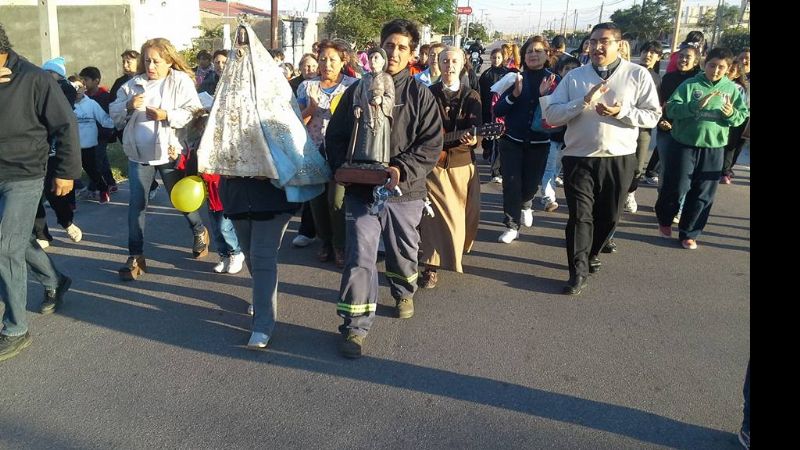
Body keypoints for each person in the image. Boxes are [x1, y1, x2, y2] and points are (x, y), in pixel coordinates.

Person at [199, 23, 330, 348]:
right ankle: (263, 297)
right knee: (252, 256)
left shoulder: (278, 100)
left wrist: (269, 168)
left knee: (263, 254)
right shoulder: (225, 103)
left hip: (272, 195)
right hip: (236, 194)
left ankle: (263, 325)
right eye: (236, 55)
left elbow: (294, 144)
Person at [326, 19, 443, 359]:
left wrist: (400, 169)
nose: (393, 53)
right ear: (378, 48)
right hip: (362, 191)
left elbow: (430, 144)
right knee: (360, 255)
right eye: (389, 45)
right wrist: (341, 169)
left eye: (401, 47)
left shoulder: (420, 95)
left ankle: (404, 290)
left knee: (403, 251)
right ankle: (354, 327)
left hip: (404, 190)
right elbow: (335, 136)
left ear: (412, 53)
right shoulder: (357, 90)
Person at [540, 22, 661, 295]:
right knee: (580, 217)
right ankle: (577, 271)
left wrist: (621, 111)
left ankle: (592, 252)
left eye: (604, 41)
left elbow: (653, 115)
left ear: (619, 44)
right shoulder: (574, 77)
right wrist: (582, 101)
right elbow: (552, 115)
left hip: (619, 158)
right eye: (593, 42)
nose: (597, 47)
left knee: (609, 217)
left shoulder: (637, 75)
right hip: (578, 157)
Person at [0, 22, 81, 362]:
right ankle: (54, 279)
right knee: (14, 241)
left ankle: (15, 329)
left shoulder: (35, 78)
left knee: (4, 247)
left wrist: (66, 171)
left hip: (25, 175)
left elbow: (66, 125)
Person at [109, 37, 209, 281]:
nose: (150, 66)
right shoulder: (133, 84)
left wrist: (166, 115)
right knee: (137, 205)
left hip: (170, 151)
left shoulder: (180, 81)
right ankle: (135, 256)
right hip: (139, 153)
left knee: (180, 200)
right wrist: (128, 106)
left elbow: (195, 112)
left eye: (156, 61)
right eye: (147, 61)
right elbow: (114, 113)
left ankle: (199, 230)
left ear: (169, 61)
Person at [654, 47, 748, 250]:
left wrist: (731, 113)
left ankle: (689, 232)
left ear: (728, 68)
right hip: (683, 145)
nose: (715, 70)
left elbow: (741, 117)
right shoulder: (690, 84)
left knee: (703, 192)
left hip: (714, 148)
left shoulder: (732, 89)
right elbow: (671, 109)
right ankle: (665, 218)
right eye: (712, 65)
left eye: (721, 67)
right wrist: (694, 106)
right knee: (676, 187)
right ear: (705, 64)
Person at [418, 47, 481, 289]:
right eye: (445, 60)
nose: (449, 65)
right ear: (438, 63)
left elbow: (478, 127)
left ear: (463, 63)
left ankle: (452, 250)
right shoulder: (427, 93)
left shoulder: (472, 96)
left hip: (462, 164)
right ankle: (430, 267)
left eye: (454, 61)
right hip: (434, 164)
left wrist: (475, 139)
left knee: (467, 216)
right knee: (435, 218)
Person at [296, 40, 358, 268]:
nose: (326, 64)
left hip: (342, 153)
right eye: (322, 59)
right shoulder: (306, 87)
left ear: (344, 61)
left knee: (336, 200)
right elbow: (295, 122)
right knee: (317, 200)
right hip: (312, 151)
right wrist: (310, 111)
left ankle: (340, 244)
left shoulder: (353, 86)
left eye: (332, 59)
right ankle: (325, 241)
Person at [492, 36, 554, 244]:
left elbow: (557, 115)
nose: (533, 54)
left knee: (530, 185)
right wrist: (514, 96)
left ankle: (526, 203)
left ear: (547, 55)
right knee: (511, 184)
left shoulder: (555, 81)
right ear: (523, 56)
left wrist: (544, 97)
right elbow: (498, 109)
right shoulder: (514, 78)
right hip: (511, 141)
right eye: (529, 51)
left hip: (539, 143)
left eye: (538, 51)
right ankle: (511, 225)